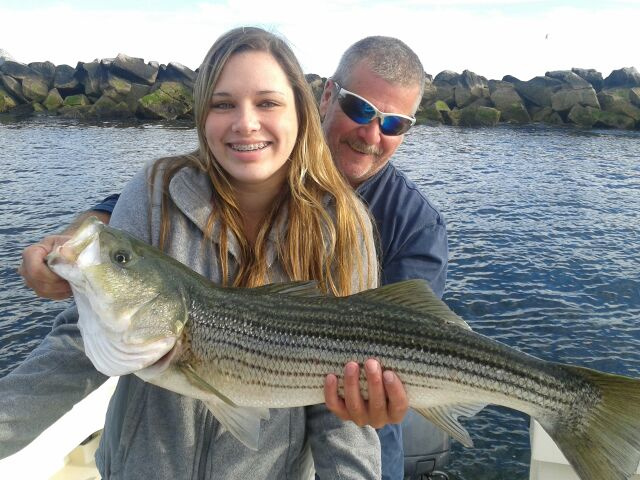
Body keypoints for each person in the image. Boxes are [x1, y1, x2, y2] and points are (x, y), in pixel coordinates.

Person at [17, 36, 449, 479]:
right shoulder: (154, 191)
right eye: (223, 104)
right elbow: (79, 339)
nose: (246, 123)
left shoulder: (357, 227)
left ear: (297, 112)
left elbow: (348, 402)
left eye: (267, 103)